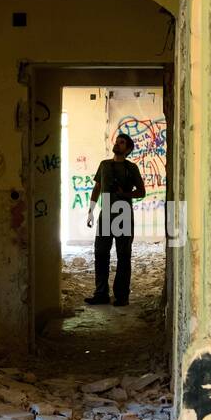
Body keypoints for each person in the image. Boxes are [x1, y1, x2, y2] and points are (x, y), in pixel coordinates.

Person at [85, 132, 145, 307]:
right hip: (105, 216)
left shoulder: (131, 168)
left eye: (122, 143)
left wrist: (124, 194)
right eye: (117, 142)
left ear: (127, 149)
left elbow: (141, 192)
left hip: (123, 215)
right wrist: (90, 211)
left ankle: (121, 296)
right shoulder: (104, 165)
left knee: (123, 256)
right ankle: (101, 293)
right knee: (101, 254)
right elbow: (97, 188)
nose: (118, 144)